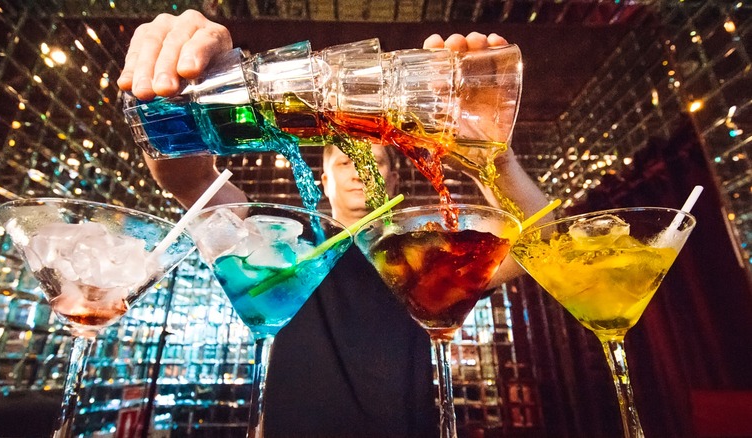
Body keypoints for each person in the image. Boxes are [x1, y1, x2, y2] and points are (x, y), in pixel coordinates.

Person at [119, 10, 550, 437]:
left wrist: (493, 158)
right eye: (344, 162)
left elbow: (540, 247)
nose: (359, 171)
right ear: (323, 182)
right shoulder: (281, 244)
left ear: (394, 178)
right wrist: (171, 94)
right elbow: (193, 184)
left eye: (375, 162)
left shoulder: (422, 255)